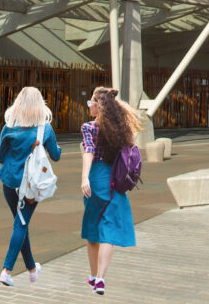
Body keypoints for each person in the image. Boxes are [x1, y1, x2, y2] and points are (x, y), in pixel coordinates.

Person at [0, 87, 61, 287]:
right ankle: (6, 271)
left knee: (21, 224)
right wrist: (55, 147)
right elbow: (56, 156)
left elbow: (0, 157)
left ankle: (32, 269)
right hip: (30, 187)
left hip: (9, 183)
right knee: (21, 225)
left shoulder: (9, 126)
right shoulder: (45, 129)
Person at [81, 86, 142, 296]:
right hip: (115, 181)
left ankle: (92, 274)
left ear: (98, 106)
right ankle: (100, 279)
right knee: (108, 231)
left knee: (92, 229)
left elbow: (88, 152)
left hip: (96, 178)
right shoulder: (121, 129)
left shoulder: (89, 128)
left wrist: (84, 178)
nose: (89, 105)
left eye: (91, 102)